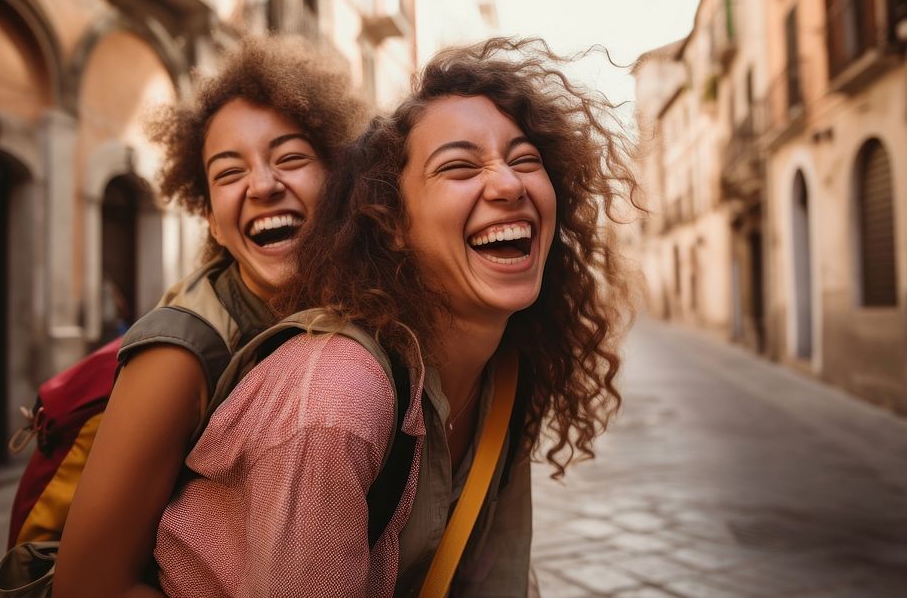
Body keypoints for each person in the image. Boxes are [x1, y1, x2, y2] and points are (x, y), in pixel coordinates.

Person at [153, 37, 638, 597]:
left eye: (525, 160)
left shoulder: (505, 370)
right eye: (458, 166)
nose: (509, 184)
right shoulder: (334, 403)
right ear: (392, 223)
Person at [52, 35, 368, 598]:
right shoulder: (178, 355)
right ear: (215, 224)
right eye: (228, 173)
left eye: (291, 158)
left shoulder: (364, 307)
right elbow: (88, 586)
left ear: (342, 183)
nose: (264, 185)